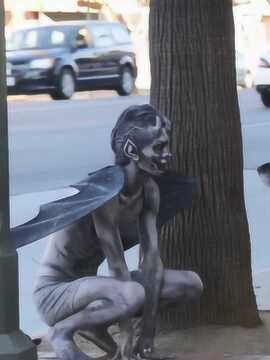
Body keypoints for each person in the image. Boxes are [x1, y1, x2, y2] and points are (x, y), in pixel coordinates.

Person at [33, 105, 203, 360]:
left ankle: (98, 327)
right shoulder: (104, 191)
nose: (168, 155)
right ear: (131, 151)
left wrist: (147, 332)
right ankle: (62, 332)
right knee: (132, 292)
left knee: (189, 284)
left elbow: (152, 264)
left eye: (167, 146)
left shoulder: (149, 191)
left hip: (97, 292)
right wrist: (126, 335)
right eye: (159, 147)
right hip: (56, 293)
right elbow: (117, 267)